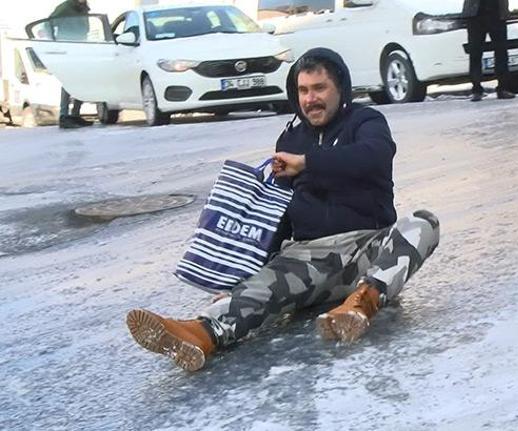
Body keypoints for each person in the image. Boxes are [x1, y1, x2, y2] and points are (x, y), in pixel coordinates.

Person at [125, 48, 440, 372]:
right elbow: (276, 213)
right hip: (308, 258)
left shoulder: (365, 122)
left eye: (319, 89)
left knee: (422, 224)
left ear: (340, 89)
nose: (310, 99)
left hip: (366, 251)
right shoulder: (291, 137)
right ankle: (200, 334)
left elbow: (373, 155)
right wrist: (240, 279)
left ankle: (363, 303)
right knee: (261, 287)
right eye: (303, 91)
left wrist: (307, 163)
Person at [462, 0, 517, 102]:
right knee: (475, 53)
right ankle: (476, 90)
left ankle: (503, 88)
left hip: (497, 13)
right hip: (476, 15)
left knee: (501, 51)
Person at [49, 0, 93, 129]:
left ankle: (75, 114)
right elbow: (49, 23)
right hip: (67, 48)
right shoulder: (65, 7)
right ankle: (64, 116)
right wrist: (54, 42)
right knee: (68, 81)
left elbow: (85, 30)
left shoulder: (84, 9)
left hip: (81, 48)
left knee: (81, 80)